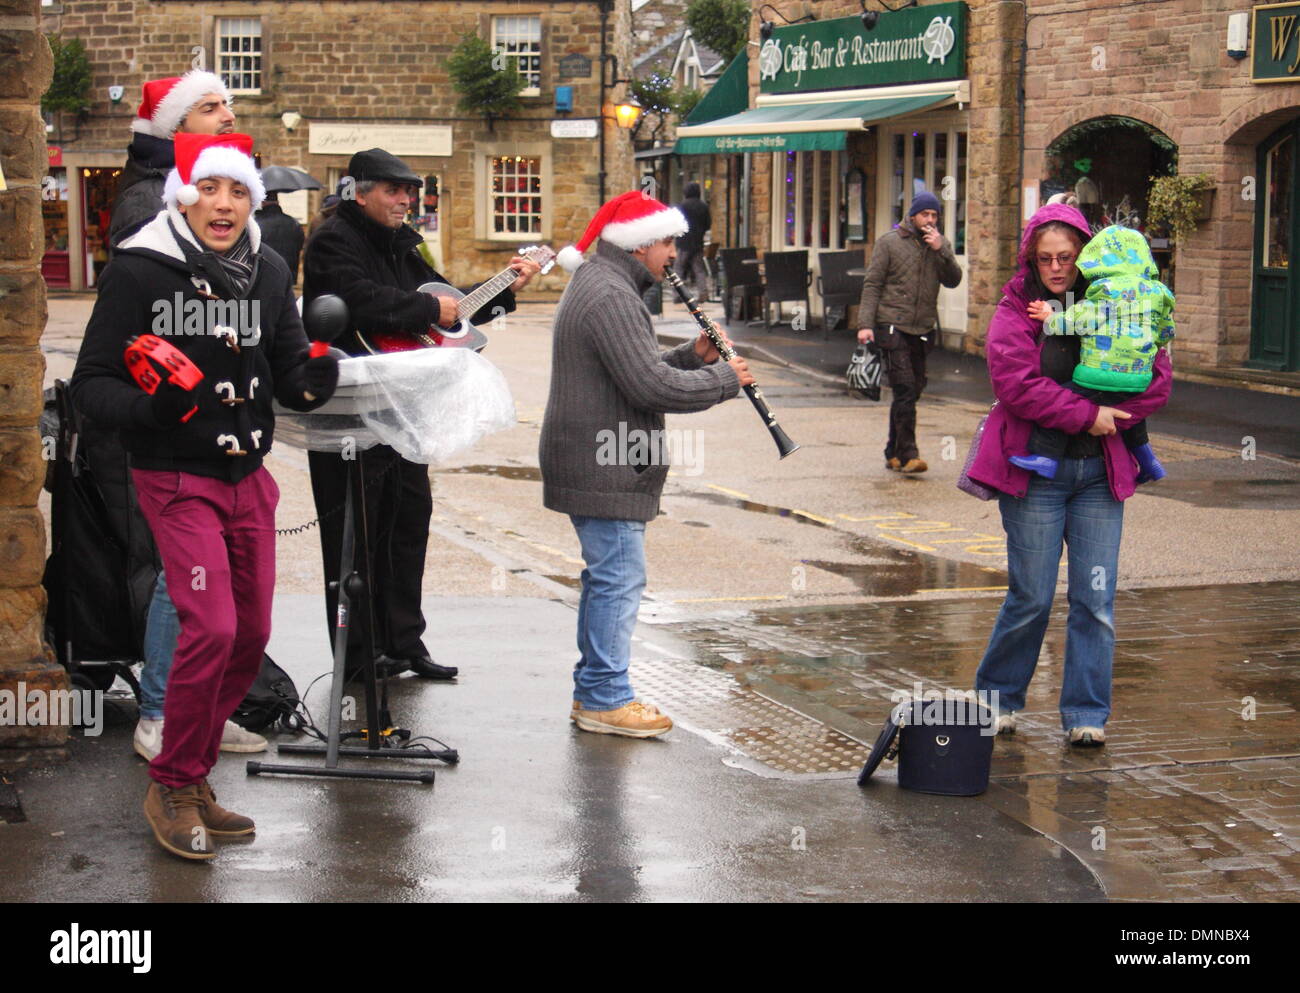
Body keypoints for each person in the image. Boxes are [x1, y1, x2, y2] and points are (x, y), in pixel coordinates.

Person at [70, 133, 339, 859]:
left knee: (248, 636)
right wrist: (152, 411)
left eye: (238, 191)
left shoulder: (269, 268)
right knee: (211, 626)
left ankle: (188, 771)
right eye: (210, 189)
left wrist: (317, 378)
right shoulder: (139, 271)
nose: (224, 203)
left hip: (248, 478)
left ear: (253, 198)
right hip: (177, 476)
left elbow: (287, 371)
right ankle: (176, 782)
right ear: (183, 196)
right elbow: (92, 384)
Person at [302, 148, 540, 681]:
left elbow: (452, 305)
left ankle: (405, 643)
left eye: (410, 191)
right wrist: (429, 309)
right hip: (348, 416)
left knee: (408, 526)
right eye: (393, 190)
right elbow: (358, 299)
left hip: (404, 413)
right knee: (353, 541)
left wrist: (504, 291)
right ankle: (359, 657)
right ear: (359, 192)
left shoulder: (404, 244)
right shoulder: (332, 241)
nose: (406, 200)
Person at [544, 191, 752, 738]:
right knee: (618, 578)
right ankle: (606, 698)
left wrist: (694, 357)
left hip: (601, 455)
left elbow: (635, 368)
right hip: (601, 460)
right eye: (666, 241)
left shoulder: (608, 285)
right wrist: (726, 379)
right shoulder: (611, 295)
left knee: (608, 578)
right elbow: (650, 386)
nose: (672, 254)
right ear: (639, 246)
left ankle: (595, 690)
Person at [102, 70, 266, 760]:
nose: (227, 114)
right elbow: (144, 323)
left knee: (222, 604)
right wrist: (163, 400)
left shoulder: (244, 236)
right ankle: (166, 710)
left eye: (229, 104)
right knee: (183, 582)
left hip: (219, 437)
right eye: (210, 106)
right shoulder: (150, 204)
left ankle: (193, 710)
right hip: (166, 438)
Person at [965, 202, 1172, 747]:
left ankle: (1086, 715)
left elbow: (1157, 378)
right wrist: (1090, 413)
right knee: (1031, 595)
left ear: (1086, 254)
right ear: (1032, 259)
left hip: (1101, 475)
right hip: (1036, 475)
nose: (1057, 267)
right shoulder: (1016, 309)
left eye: (1067, 256)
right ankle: (998, 701)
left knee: (1095, 599)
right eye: (1046, 258)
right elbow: (1016, 384)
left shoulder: (1124, 300)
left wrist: (1118, 415)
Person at [1012, 224, 1174, 483]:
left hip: (1100, 372)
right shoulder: (1156, 293)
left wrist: (1050, 317)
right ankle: (1149, 461)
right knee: (1128, 413)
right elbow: (1165, 329)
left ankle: (1046, 458)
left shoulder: (1105, 293)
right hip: (1139, 376)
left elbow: (1078, 321)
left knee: (1063, 400)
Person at [856, 191, 962, 474]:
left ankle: (892, 450)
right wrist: (865, 324)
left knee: (913, 389)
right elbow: (872, 284)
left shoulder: (939, 246)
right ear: (912, 215)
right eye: (925, 214)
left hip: (923, 328)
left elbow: (953, 280)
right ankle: (909, 454)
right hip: (891, 326)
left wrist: (942, 250)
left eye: (934, 215)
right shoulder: (889, 243)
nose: (929, 220)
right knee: (904, 389)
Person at [110, 71, 235, 247]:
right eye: (209, 109)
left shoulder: (205, 179)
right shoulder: (147, 199)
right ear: (176, 130)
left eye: (225, 105)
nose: (230, 116)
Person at [255, 192, 306, 283]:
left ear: (263, 202)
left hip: (264, 275)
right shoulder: (293, 223)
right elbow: (300, 244)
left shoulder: (256, 224)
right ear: (278, 202)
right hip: (288, 273)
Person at [674, 181, 712, 298]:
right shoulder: (703, 206)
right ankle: (703, 292)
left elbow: (676, 223)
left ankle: (677, 295)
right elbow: (708, 224)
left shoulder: (682, 206)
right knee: (699, 269)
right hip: (697, 242)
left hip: (684, 242)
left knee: (679, 269)